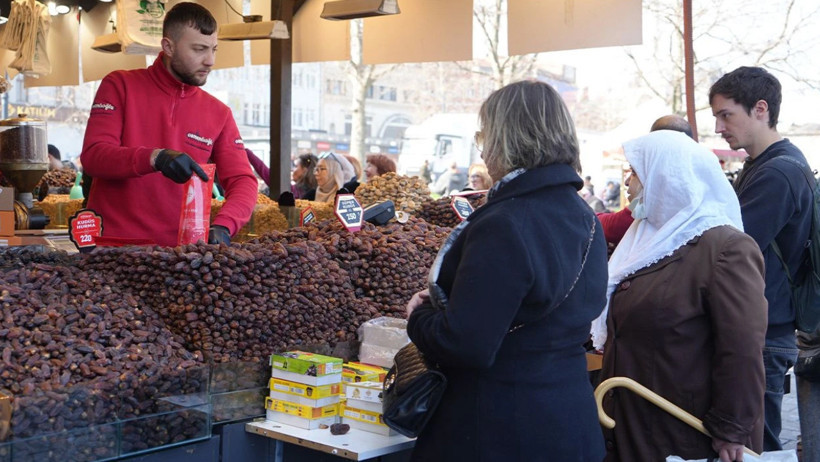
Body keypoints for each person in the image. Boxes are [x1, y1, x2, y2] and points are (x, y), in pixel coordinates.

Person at [405, 80, 608, 461]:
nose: (482, 147)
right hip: (567, 421)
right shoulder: (586, 217)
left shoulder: (505, 222)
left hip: (500, 429)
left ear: (506, 137)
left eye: (484, 135)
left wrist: (420, 317)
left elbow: (465, 344)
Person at [595, 130, 767, 462]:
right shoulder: (645, 238)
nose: (628, 184)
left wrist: (731, 429)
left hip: (683, 431)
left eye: (636, 173)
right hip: (632, 419)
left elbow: (742, 348)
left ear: (668, 177)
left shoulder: (726, 248)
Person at [80, 2, 256, 247]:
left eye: (214, 49)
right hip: (113, 251)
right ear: (168, 46)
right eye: (199, 49)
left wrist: (225, 225)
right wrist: (155, 158)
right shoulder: (119, 85)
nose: (210, 61)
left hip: (181, 258)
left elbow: (243, 181)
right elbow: (94, 156)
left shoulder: (219, 113)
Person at [710, 66, 813, 453]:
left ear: (760, 109)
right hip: (766, 325)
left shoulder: (779, 172)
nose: (719, 127)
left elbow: (732, 248)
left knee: (757, 447)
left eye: (726, 114)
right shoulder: (764, 165)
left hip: (766, 332)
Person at [597, 114, 696, 248]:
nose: (626, 182)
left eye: (633, 173)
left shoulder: (649, 197)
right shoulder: (697, 187)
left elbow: (618, 225)